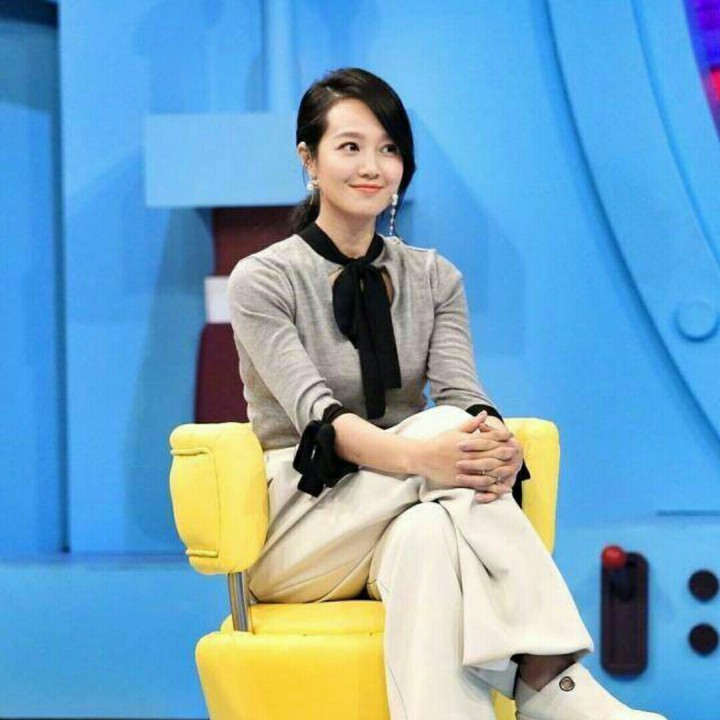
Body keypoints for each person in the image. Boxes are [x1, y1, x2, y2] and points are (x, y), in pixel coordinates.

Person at [227, 68, 665, 720]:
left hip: (408, 510)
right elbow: (319, 415)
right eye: (350, 147)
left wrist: (494, 439)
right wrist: (427, 455)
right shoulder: (262, 280)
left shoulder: (434, 277)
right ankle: (549, 679)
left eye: (389, 148)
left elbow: (464, 392)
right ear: (309, 160)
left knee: (432, 534)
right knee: (442, 432)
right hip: (303, 525)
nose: (372, 166)